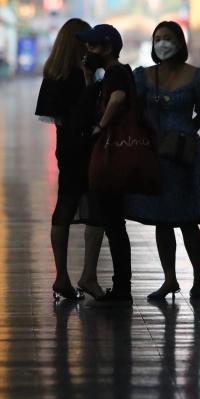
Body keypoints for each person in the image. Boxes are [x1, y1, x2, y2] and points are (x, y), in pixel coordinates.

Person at [126, 20, 200, 301]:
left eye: (168, 38)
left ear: (180, 43)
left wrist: (184, 134)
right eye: (157, 38)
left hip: (185, 156)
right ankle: (169, 278)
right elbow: (135, 111)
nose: (162, 43)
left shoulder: (197, 76)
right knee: (162, 218)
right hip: (156, 154)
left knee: (187, 218)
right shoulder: (142, 77)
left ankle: (198, 277)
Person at [35, 17, 106, 302]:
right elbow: (93, 110)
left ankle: (61, 276)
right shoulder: (85, 74)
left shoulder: (53, 73)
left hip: (66, 149)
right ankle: (88, 275)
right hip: (90, 147)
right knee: (96, 208)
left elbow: (55, 117)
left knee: (65, 205)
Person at [78, 23, 136, 306]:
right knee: (114, 224)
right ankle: (121, 287)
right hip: (117, 154)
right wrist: (90, 78)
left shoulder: (115, 72)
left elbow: (118, 98)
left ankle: (122, 290)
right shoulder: (114, 72)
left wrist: (100, 126)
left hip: (114, 155)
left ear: (108, 47)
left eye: (93, 45)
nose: (88, 50)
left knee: (114, 224)